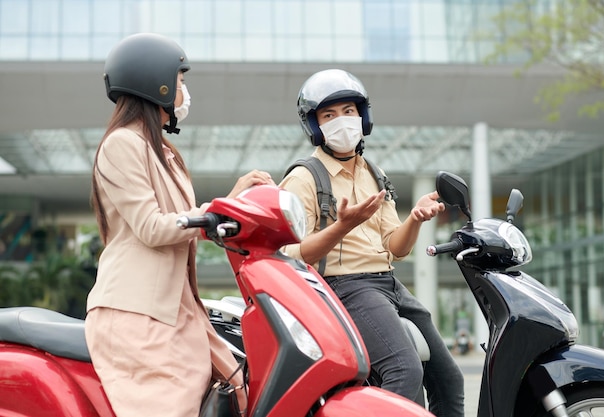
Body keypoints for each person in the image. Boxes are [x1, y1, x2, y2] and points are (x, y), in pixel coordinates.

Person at [85, 33, 273, 417]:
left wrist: (230, 202)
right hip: (138, 312)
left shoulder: (163, 152)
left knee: (238, 383)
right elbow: (154, 228)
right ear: (158, 83)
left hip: (178, 306)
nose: (185, 93)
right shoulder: (121, 144)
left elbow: (184, 222)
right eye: (181, 82)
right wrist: (214, 213)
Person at [279, 68, 465, 416]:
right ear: (315, 126)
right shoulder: (303, 178)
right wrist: (342, 227)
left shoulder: (374, 173)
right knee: (403, 371)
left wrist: (415, 218)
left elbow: (396, 248)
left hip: (388, 284)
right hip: (346, 288)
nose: (342, 121)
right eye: (329, 115)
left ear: (363, 117)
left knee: (448, 378)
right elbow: (291, 255)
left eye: (349, 111)